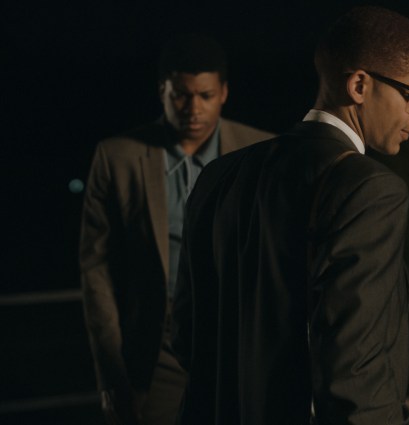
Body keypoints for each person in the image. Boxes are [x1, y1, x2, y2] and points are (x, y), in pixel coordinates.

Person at [169, 6, 409, 425]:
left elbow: (186, 337)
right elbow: (355, 378)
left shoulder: (219, 174)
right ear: (360, 85)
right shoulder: (370, 189)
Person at [80, 34, 273, 425]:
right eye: (181, 96)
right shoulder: (116, 157)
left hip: (234, 339)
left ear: (224, 93)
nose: (193, 109)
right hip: (154, 348)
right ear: (162, 92)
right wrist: (111, 371)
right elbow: (96, 270)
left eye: (205, 95)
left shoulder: (261, 151)